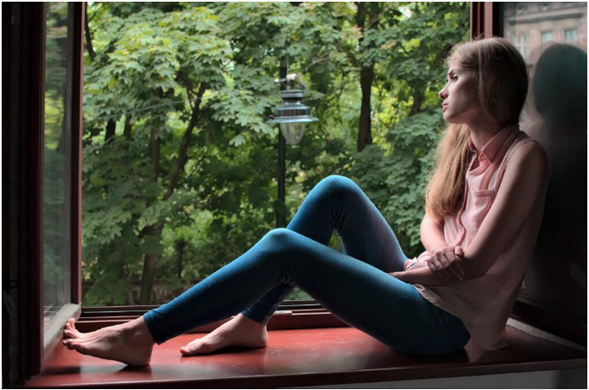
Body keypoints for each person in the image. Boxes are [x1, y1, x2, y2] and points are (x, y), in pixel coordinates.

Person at [62, 37, 548, 367]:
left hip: (451, 329)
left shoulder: (525, 157)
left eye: (454, 77)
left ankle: (145, 333)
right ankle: (252, 320)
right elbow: (433, 219)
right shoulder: (467, 149)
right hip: (425, 288)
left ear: (486, 84)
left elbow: (477, 263)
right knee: (335, 189)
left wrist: (404, 275)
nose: (443, 90)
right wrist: (435, 251)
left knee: (283, 247)